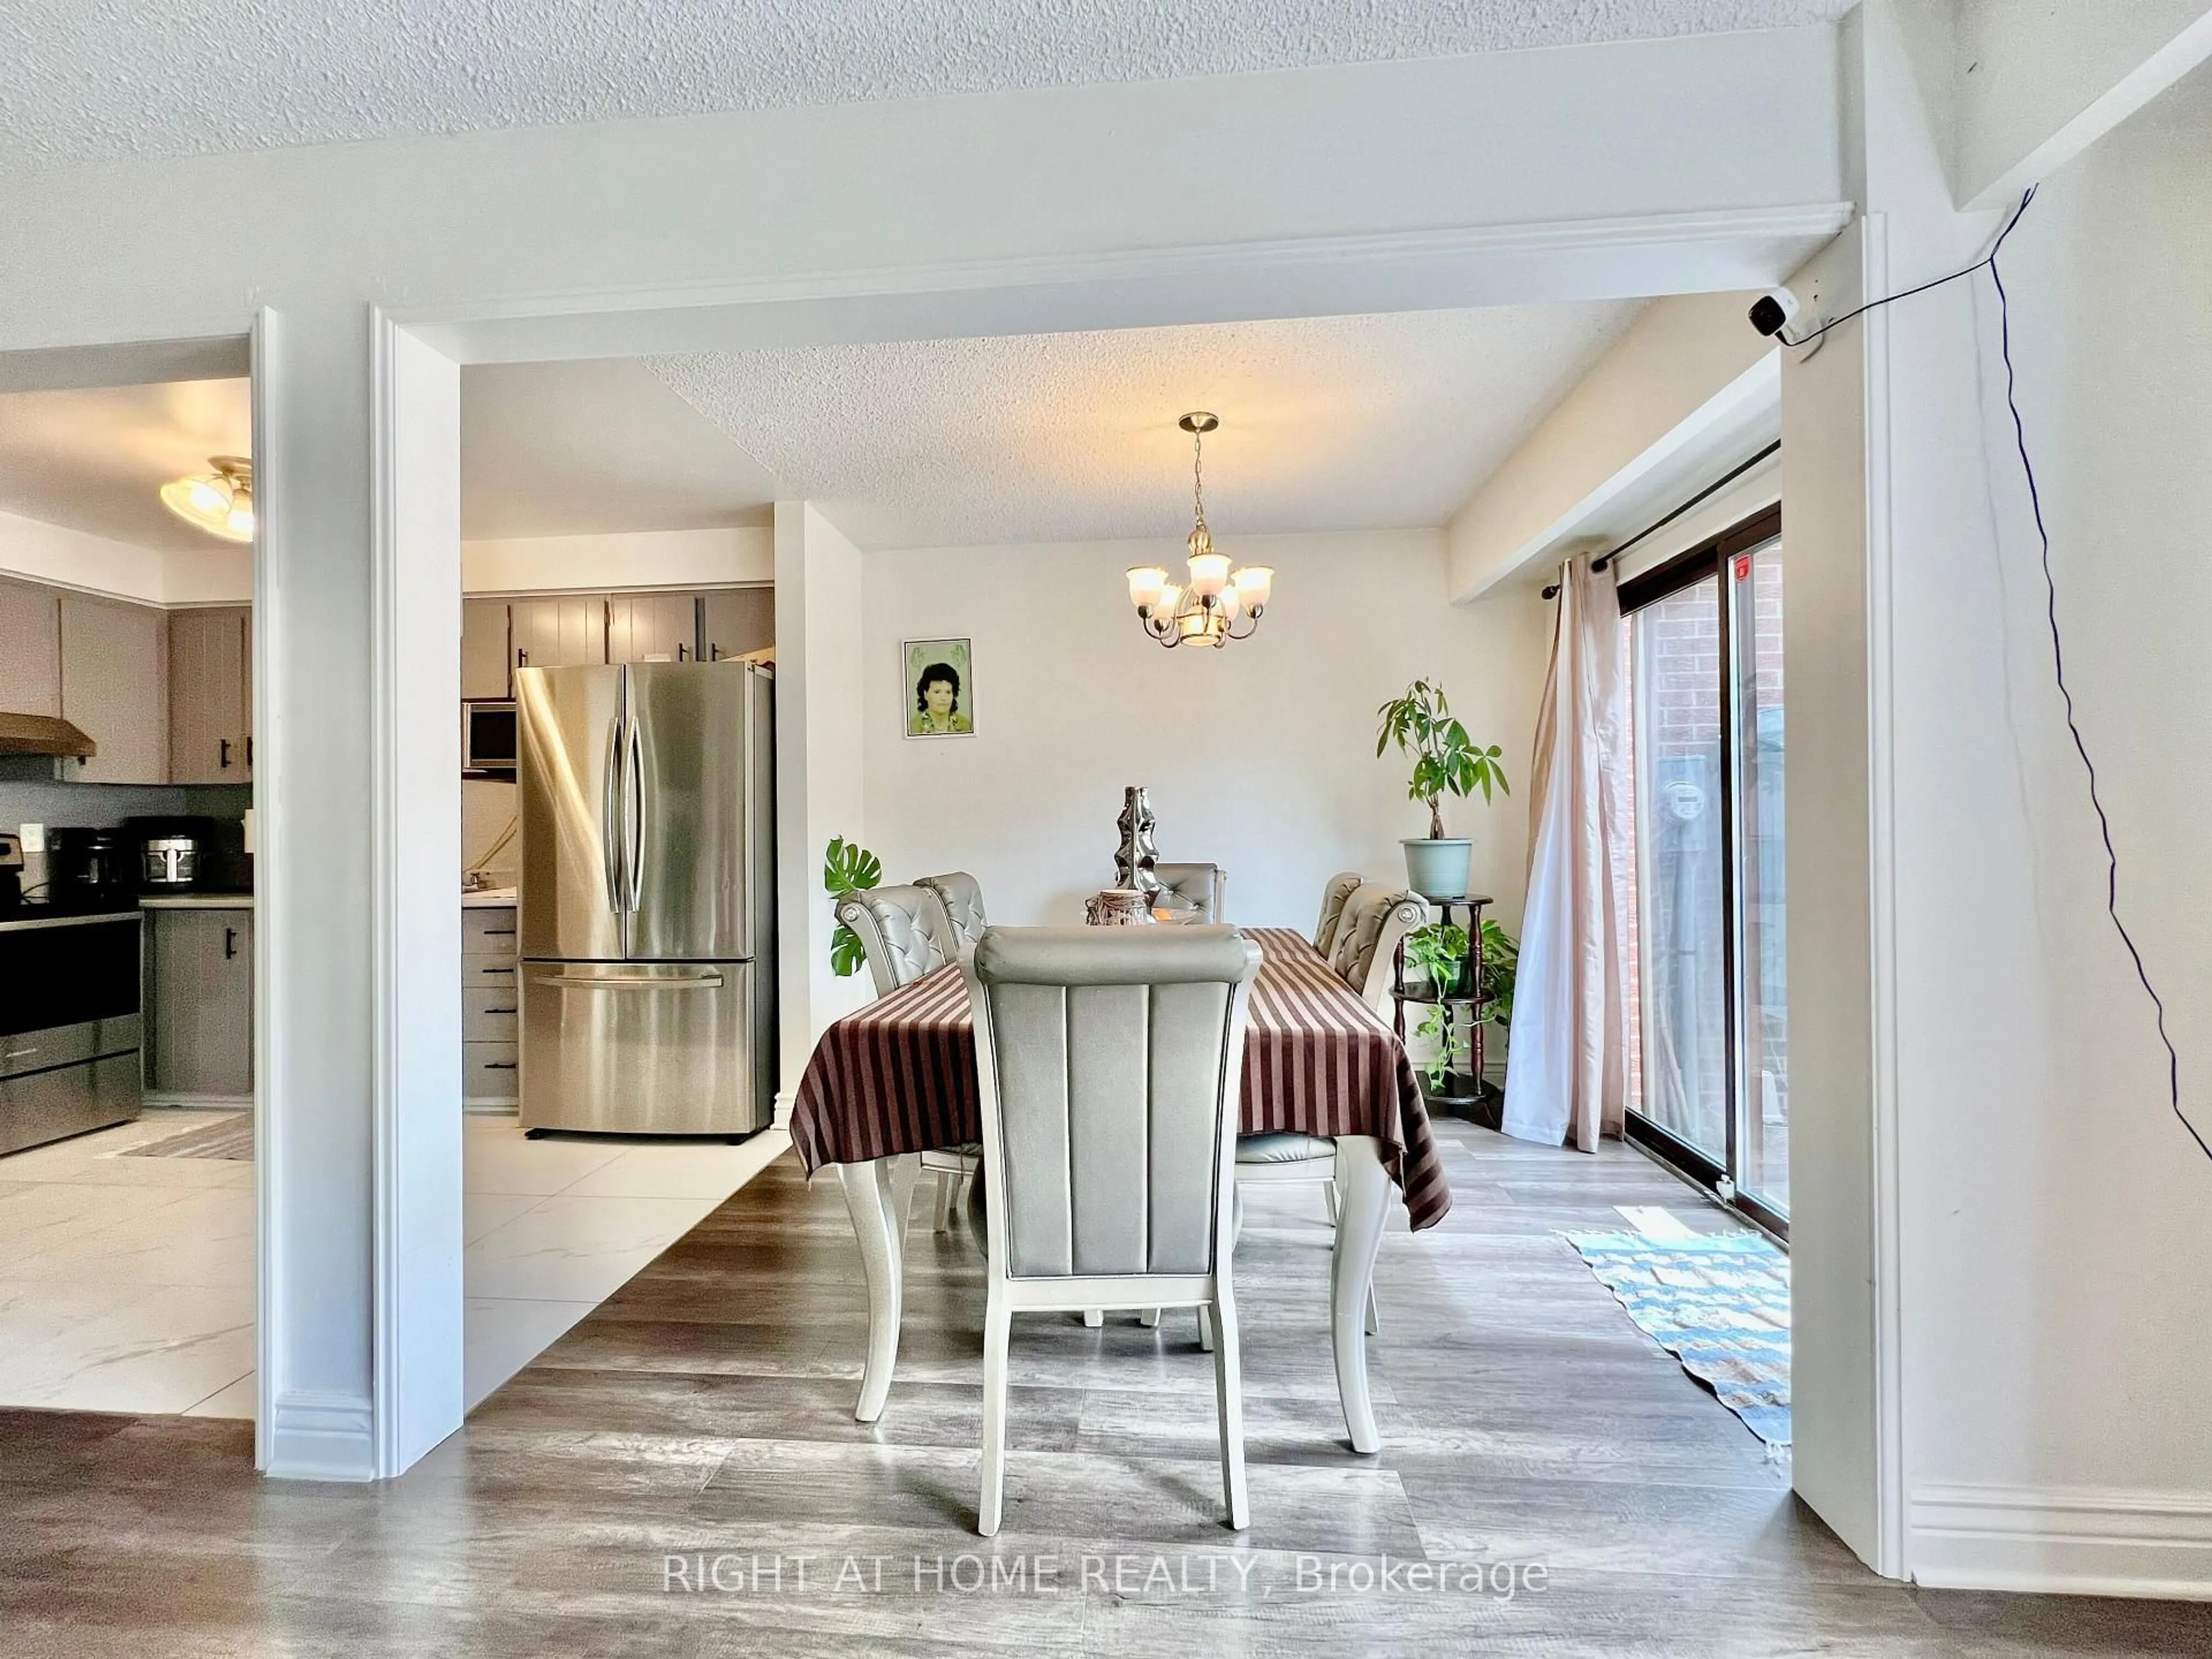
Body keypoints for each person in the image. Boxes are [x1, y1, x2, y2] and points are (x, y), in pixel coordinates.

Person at [911, 660, 971, 735]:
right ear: (926, 694)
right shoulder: (913, 728)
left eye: (948, 692)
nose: (943, 698)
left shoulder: (967, 726)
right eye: (937, 692)